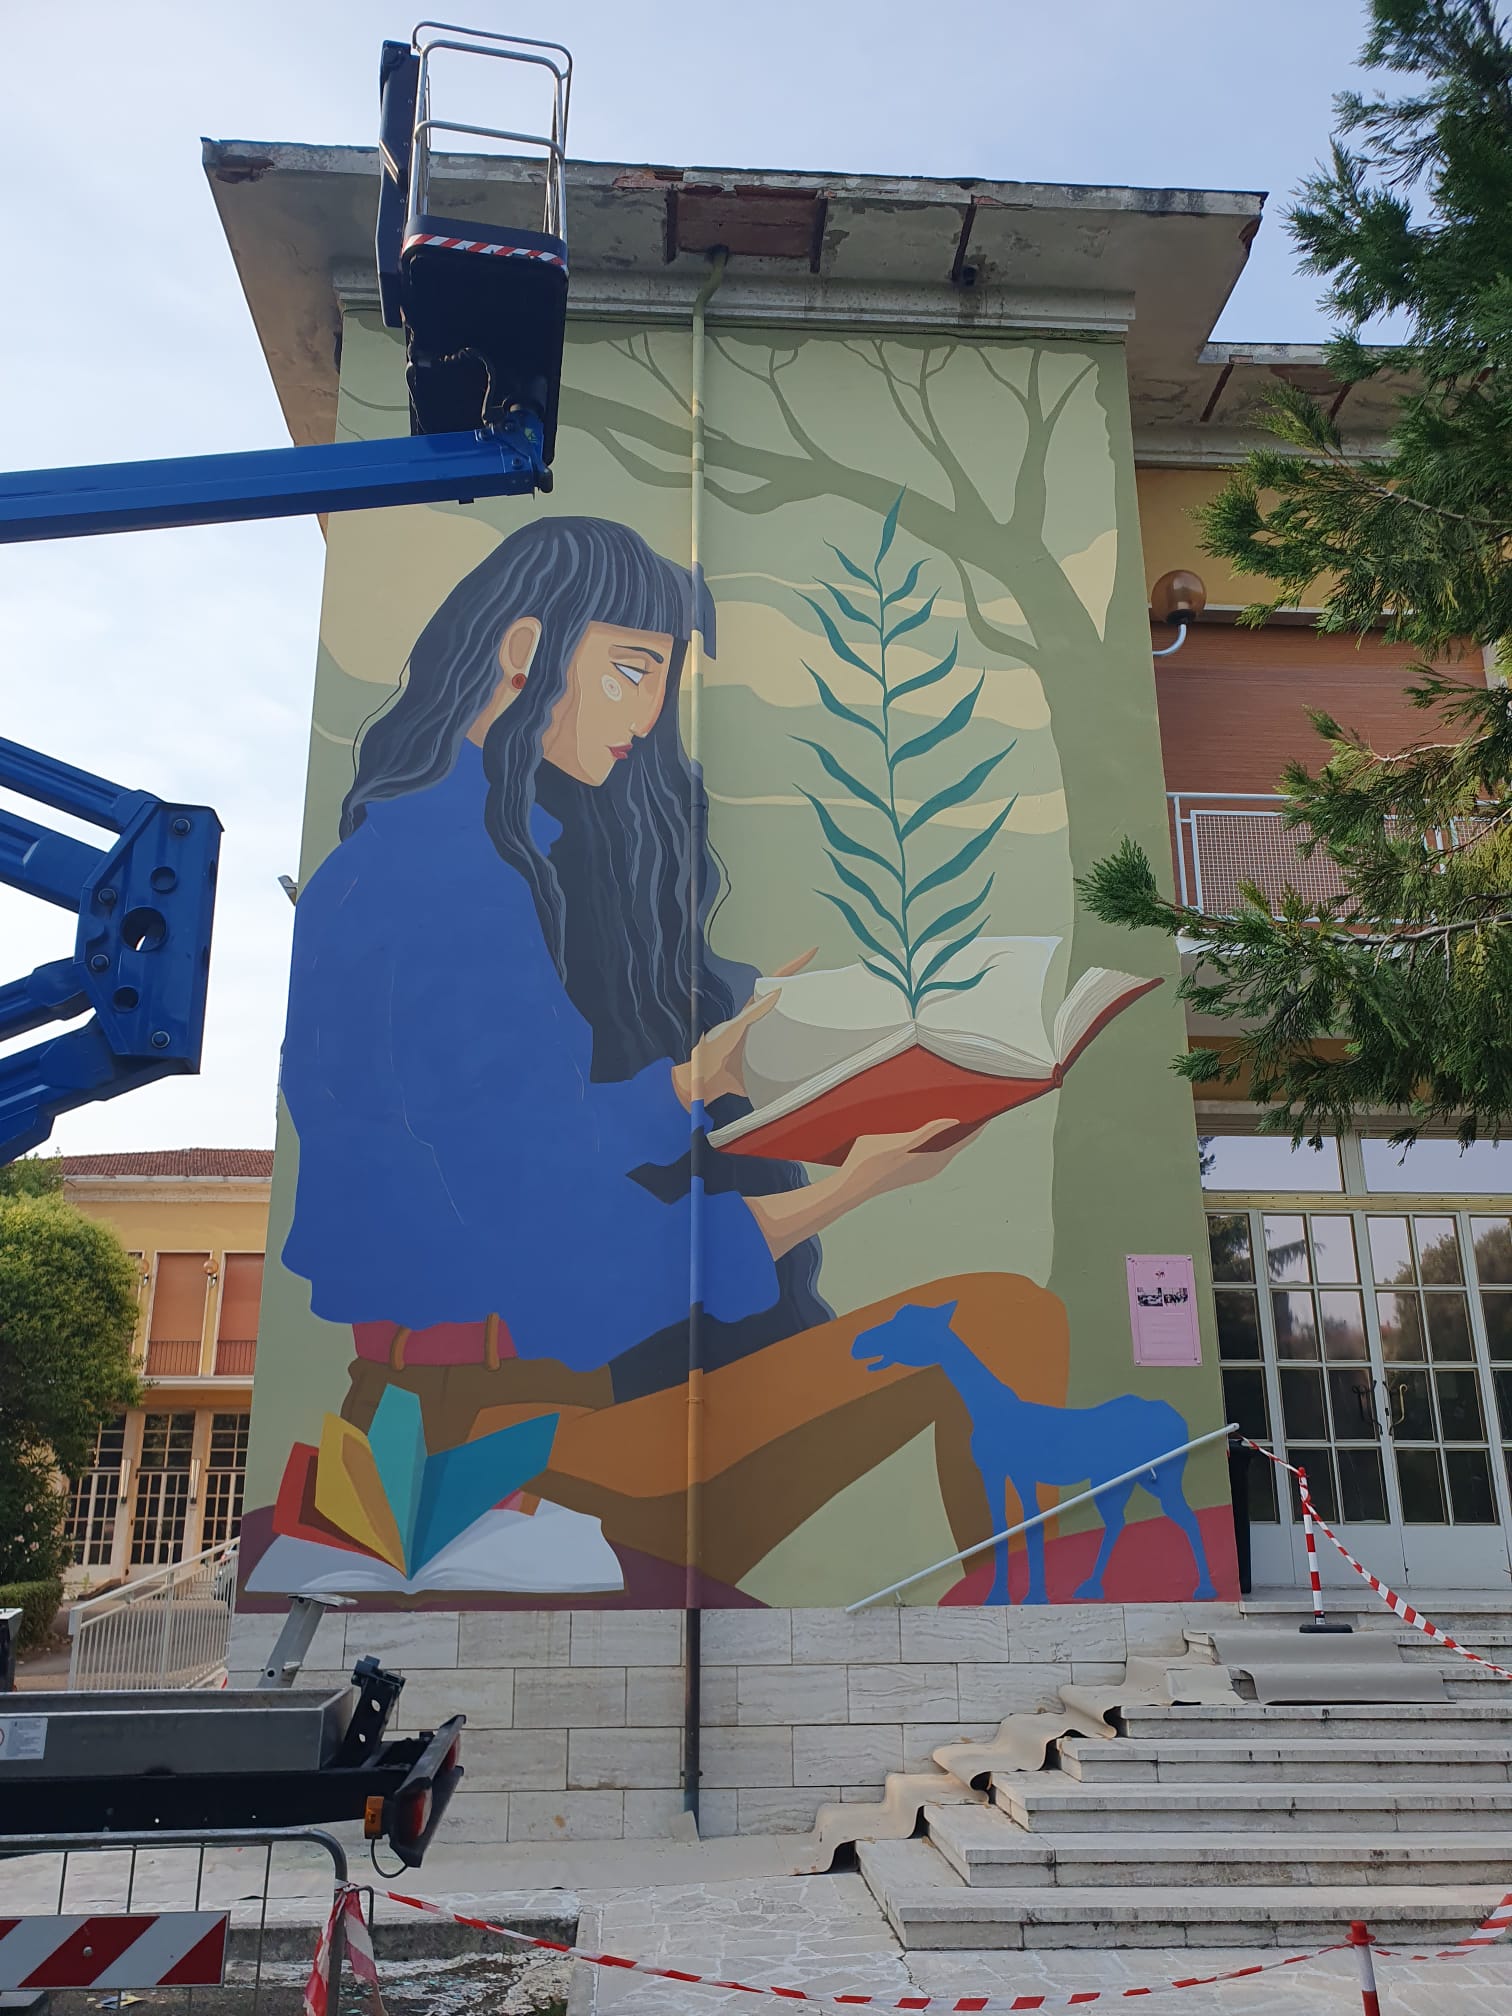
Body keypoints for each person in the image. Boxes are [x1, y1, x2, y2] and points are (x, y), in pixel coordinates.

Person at [280, 516, 975, 1455]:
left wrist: (698, 1082)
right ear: (525, 650)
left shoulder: (462, 855)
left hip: (486, 1383)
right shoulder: (441, 882)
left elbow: (530, 1134)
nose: (649, 716)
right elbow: (555, 1247)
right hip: (487, 1418)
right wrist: (852, 1188)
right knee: (994, 1330)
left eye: (662, 679)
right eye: (632, 670)